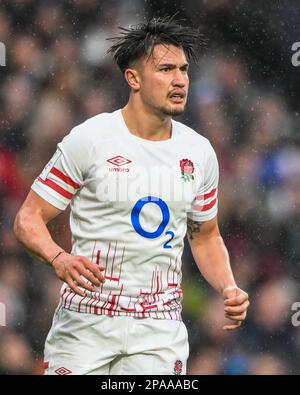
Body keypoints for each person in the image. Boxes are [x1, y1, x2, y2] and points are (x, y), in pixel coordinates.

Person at [14, 16, 249, 375]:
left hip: (158, 329)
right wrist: (58, 258)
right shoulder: (90, 139)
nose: (179, 80)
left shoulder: (199, 152)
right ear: (133, 78)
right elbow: (28, 218)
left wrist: (228, 286)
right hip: (86, 323)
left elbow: (206, 236)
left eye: (184, 70)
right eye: (166, 69)